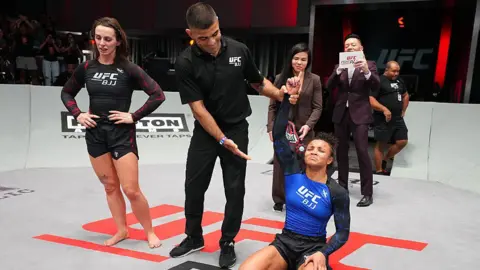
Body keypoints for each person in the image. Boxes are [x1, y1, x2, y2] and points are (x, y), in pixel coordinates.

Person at [170, 3, 299, 268]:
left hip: (237, 128)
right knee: (194, 186)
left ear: (218, 23)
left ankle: (227, 240)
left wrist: (282, 94)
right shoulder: (185, 61)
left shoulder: (239, 50)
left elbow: (258, 81)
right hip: (207, 133)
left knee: (234, 189)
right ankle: (193, 236)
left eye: (215, 33)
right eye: (202, 37)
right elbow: (199, 110)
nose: (211, 41)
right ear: (190, 33)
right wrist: (220, 139)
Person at [60, 17, 165, 249]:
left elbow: (157, 94)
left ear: (118, 41)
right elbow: (67, 93)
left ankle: (149, 232)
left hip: (121, 135)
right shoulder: (86, 68)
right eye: (98, 38)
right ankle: (122, 230)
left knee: (131, 189)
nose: (102, 43)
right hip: (95, 134)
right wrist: (78, 114)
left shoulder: (128, 68)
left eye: (107, 39)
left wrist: (133, 116)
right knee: (110, 187)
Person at [239, 86, 350, 270]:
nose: (314, 151)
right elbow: (278, 135)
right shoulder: (292, 172)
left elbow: (343, 233)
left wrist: (323, 252)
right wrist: (286, 100)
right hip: (285, 243)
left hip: (313, 247)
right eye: (311, 148)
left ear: (329, 160)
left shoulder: (337, 192)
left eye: (321, 150)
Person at [267, 43, 323, 213]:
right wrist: (271, 127)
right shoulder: (280, 78)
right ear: (291, 59)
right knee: (280, 164)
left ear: (308, 61)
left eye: (303, 59)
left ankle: (299, 199)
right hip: (282, 129)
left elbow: (318, 107)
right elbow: (272, 107)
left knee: (304, 165)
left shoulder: (315, 80)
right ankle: (279, 198)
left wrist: (308, 125)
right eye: (296, 58)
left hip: (303, 130)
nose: (299, 62)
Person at [326, 33, 380, 207]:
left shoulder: (369, 65)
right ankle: (342, 187)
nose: (349, 47)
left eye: (353, 45)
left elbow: (376, 85)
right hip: (341, 112)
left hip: (360, 113)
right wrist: (337, 72)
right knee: (341, 151)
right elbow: (329, 86)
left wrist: (365, 71)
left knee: (362, 151)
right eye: (347, 45)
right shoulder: (339, 66)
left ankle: (367, 193)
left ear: (361, 48)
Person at [370, 61, 409, 175]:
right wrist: (384, 109)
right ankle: (379, 170)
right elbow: (371, 99)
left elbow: (405, 94)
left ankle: (385, 158)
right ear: (386, 70)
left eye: (398, 71)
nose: (396, 73)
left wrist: (403, 109)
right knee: (381, 144)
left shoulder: (399, 80)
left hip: (397, 117)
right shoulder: (379, 81)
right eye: (393, 71)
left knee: (402, 141)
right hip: (383, 118)